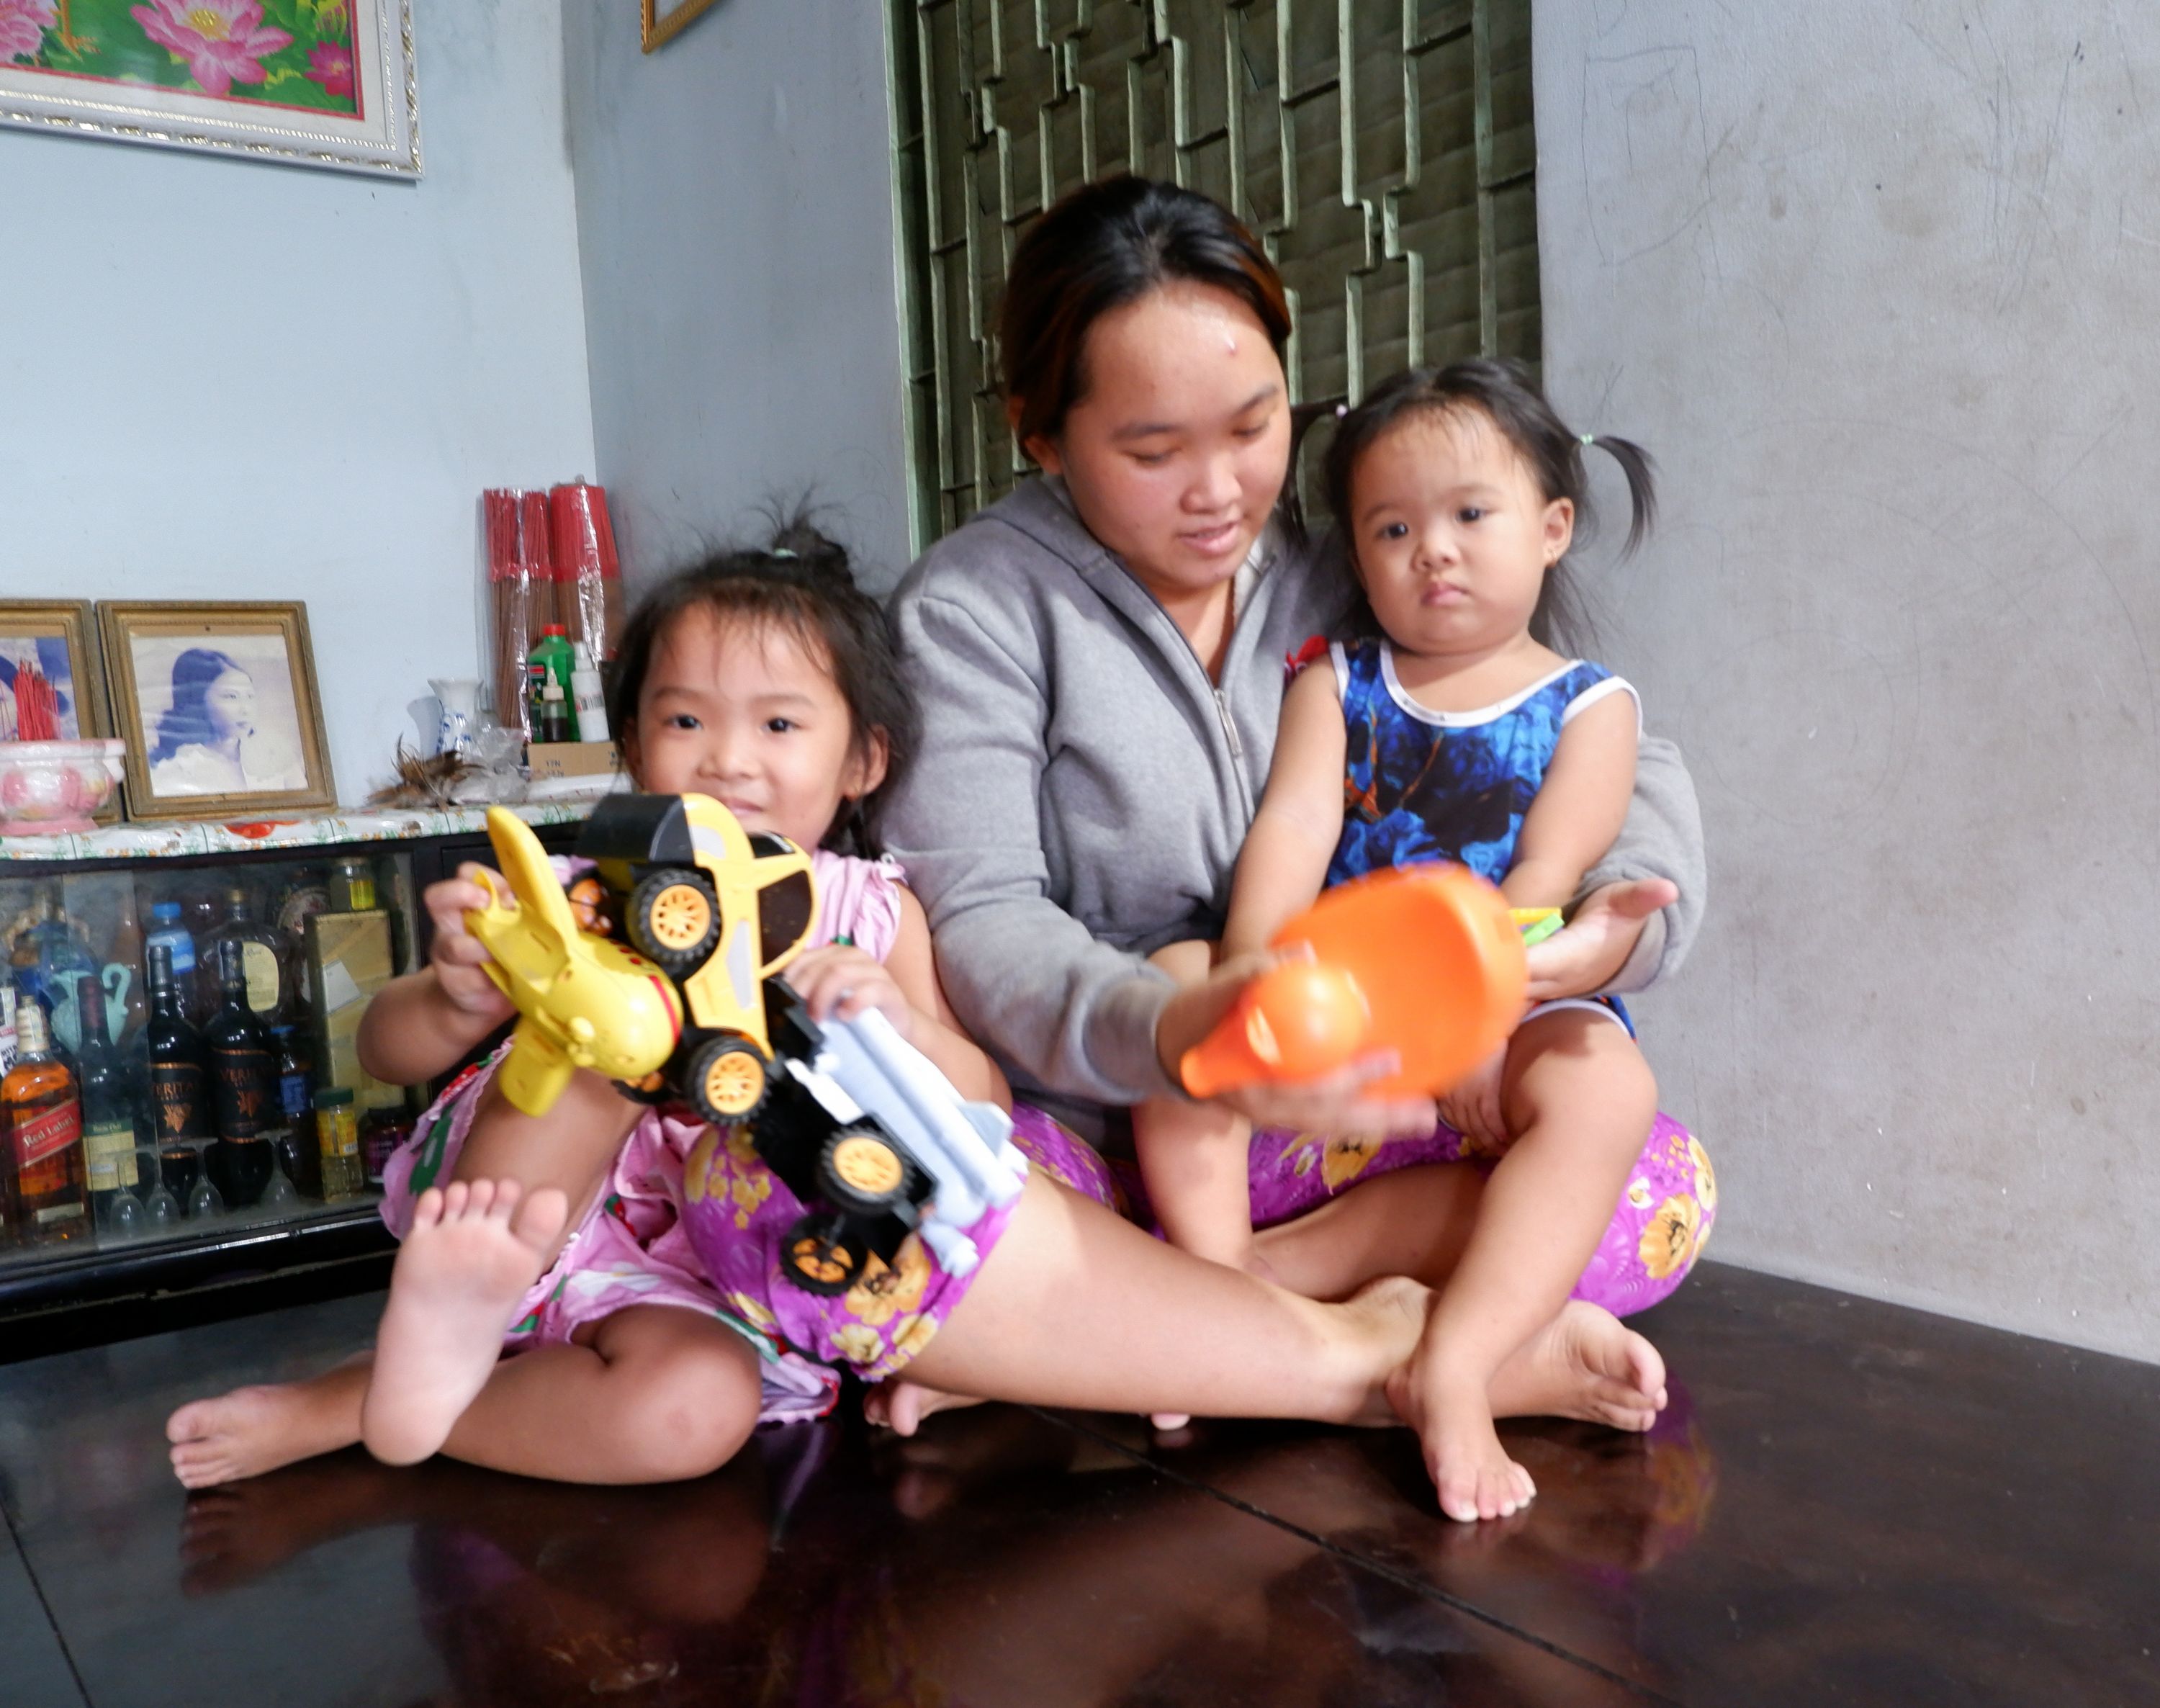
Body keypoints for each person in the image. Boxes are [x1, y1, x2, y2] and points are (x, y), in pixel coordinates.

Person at [172, 523, 1593, 1493]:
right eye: (683, 720)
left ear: (864, 761)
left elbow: (978, 1102)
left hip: (697, 1293)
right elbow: (389, 1051)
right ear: (632, 741)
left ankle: (407, 1401)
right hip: (529, 1214)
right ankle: (407, 1353)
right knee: (613, 1033)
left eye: (779, 725)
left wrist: (896, 1027)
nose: (728, 761)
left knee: (687, 1420)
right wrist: (455, 990)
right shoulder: (600, 891)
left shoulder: (871, 910)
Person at [883, 175, 1713, 1517]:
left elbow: (1599, 733)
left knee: (1655, 1185)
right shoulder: (976, 610)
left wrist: (1608, 925)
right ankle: (1400, 1350)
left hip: (1353, 1109)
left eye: (1254, 424)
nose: (1220, 492)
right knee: (869, 1209)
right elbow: (980, 915)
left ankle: (1192, 1329)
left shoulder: (1358, 559)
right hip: (1124, 1122)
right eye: (1154, 450)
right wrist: (1182, 1028)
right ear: (1041, 434)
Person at [1148, 357, 1672, 1522]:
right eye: (1393, 528)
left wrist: (1478, 1022)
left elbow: (1542, 880)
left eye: (1470, 515)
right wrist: (1253, 968)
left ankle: (1456, 1362)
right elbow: (1294, 829)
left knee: (1609, 1087)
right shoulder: (1337, 681)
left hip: (1510, 996)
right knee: (1172, 985)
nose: (1432, 550)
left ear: (1552, 527)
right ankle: (1214, 1298)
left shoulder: (1591, 706)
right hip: (1347, 992)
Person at [146, 647, 305, 794]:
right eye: (231, 697)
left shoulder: (274, 752)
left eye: (250, 696)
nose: (245, 709)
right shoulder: (175, 766)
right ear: (198, 702)